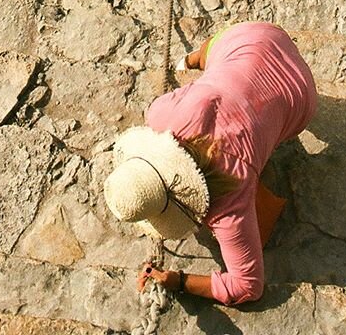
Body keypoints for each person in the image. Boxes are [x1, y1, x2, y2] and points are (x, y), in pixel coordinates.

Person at [104, 21, 317, 304]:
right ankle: (191, 59)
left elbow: (249, 287)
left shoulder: (228, 206)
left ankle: (196, 60)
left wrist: (179, 281)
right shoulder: (159, 113)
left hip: (302, 96)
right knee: (210, 54)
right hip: (255, 36)